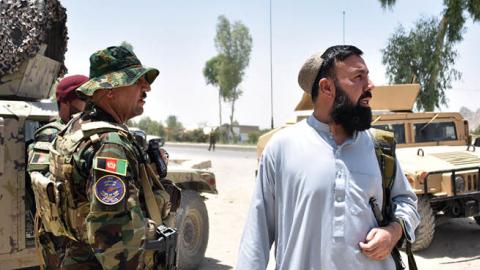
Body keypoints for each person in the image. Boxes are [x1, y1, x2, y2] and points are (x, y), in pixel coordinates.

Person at [236, 45, 420, 270]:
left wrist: (393, 232)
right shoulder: (281, 147)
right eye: (358, 77)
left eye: (367, 76)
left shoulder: (378, 146)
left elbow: (407, 201)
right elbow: (257, 234)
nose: (370, 86)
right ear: (327, 87)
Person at [34, 46, 175, 269]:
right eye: (137, 81)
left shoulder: (76, 127)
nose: (146, 88)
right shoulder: (110, 144)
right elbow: (113, 240)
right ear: (110, 90)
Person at [27, 74, 88, 269]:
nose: (91, 103)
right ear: (67, 102)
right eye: (84, 98)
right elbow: (40, 186)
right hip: (60, 235)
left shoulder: (79, 130)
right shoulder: (51, 133)